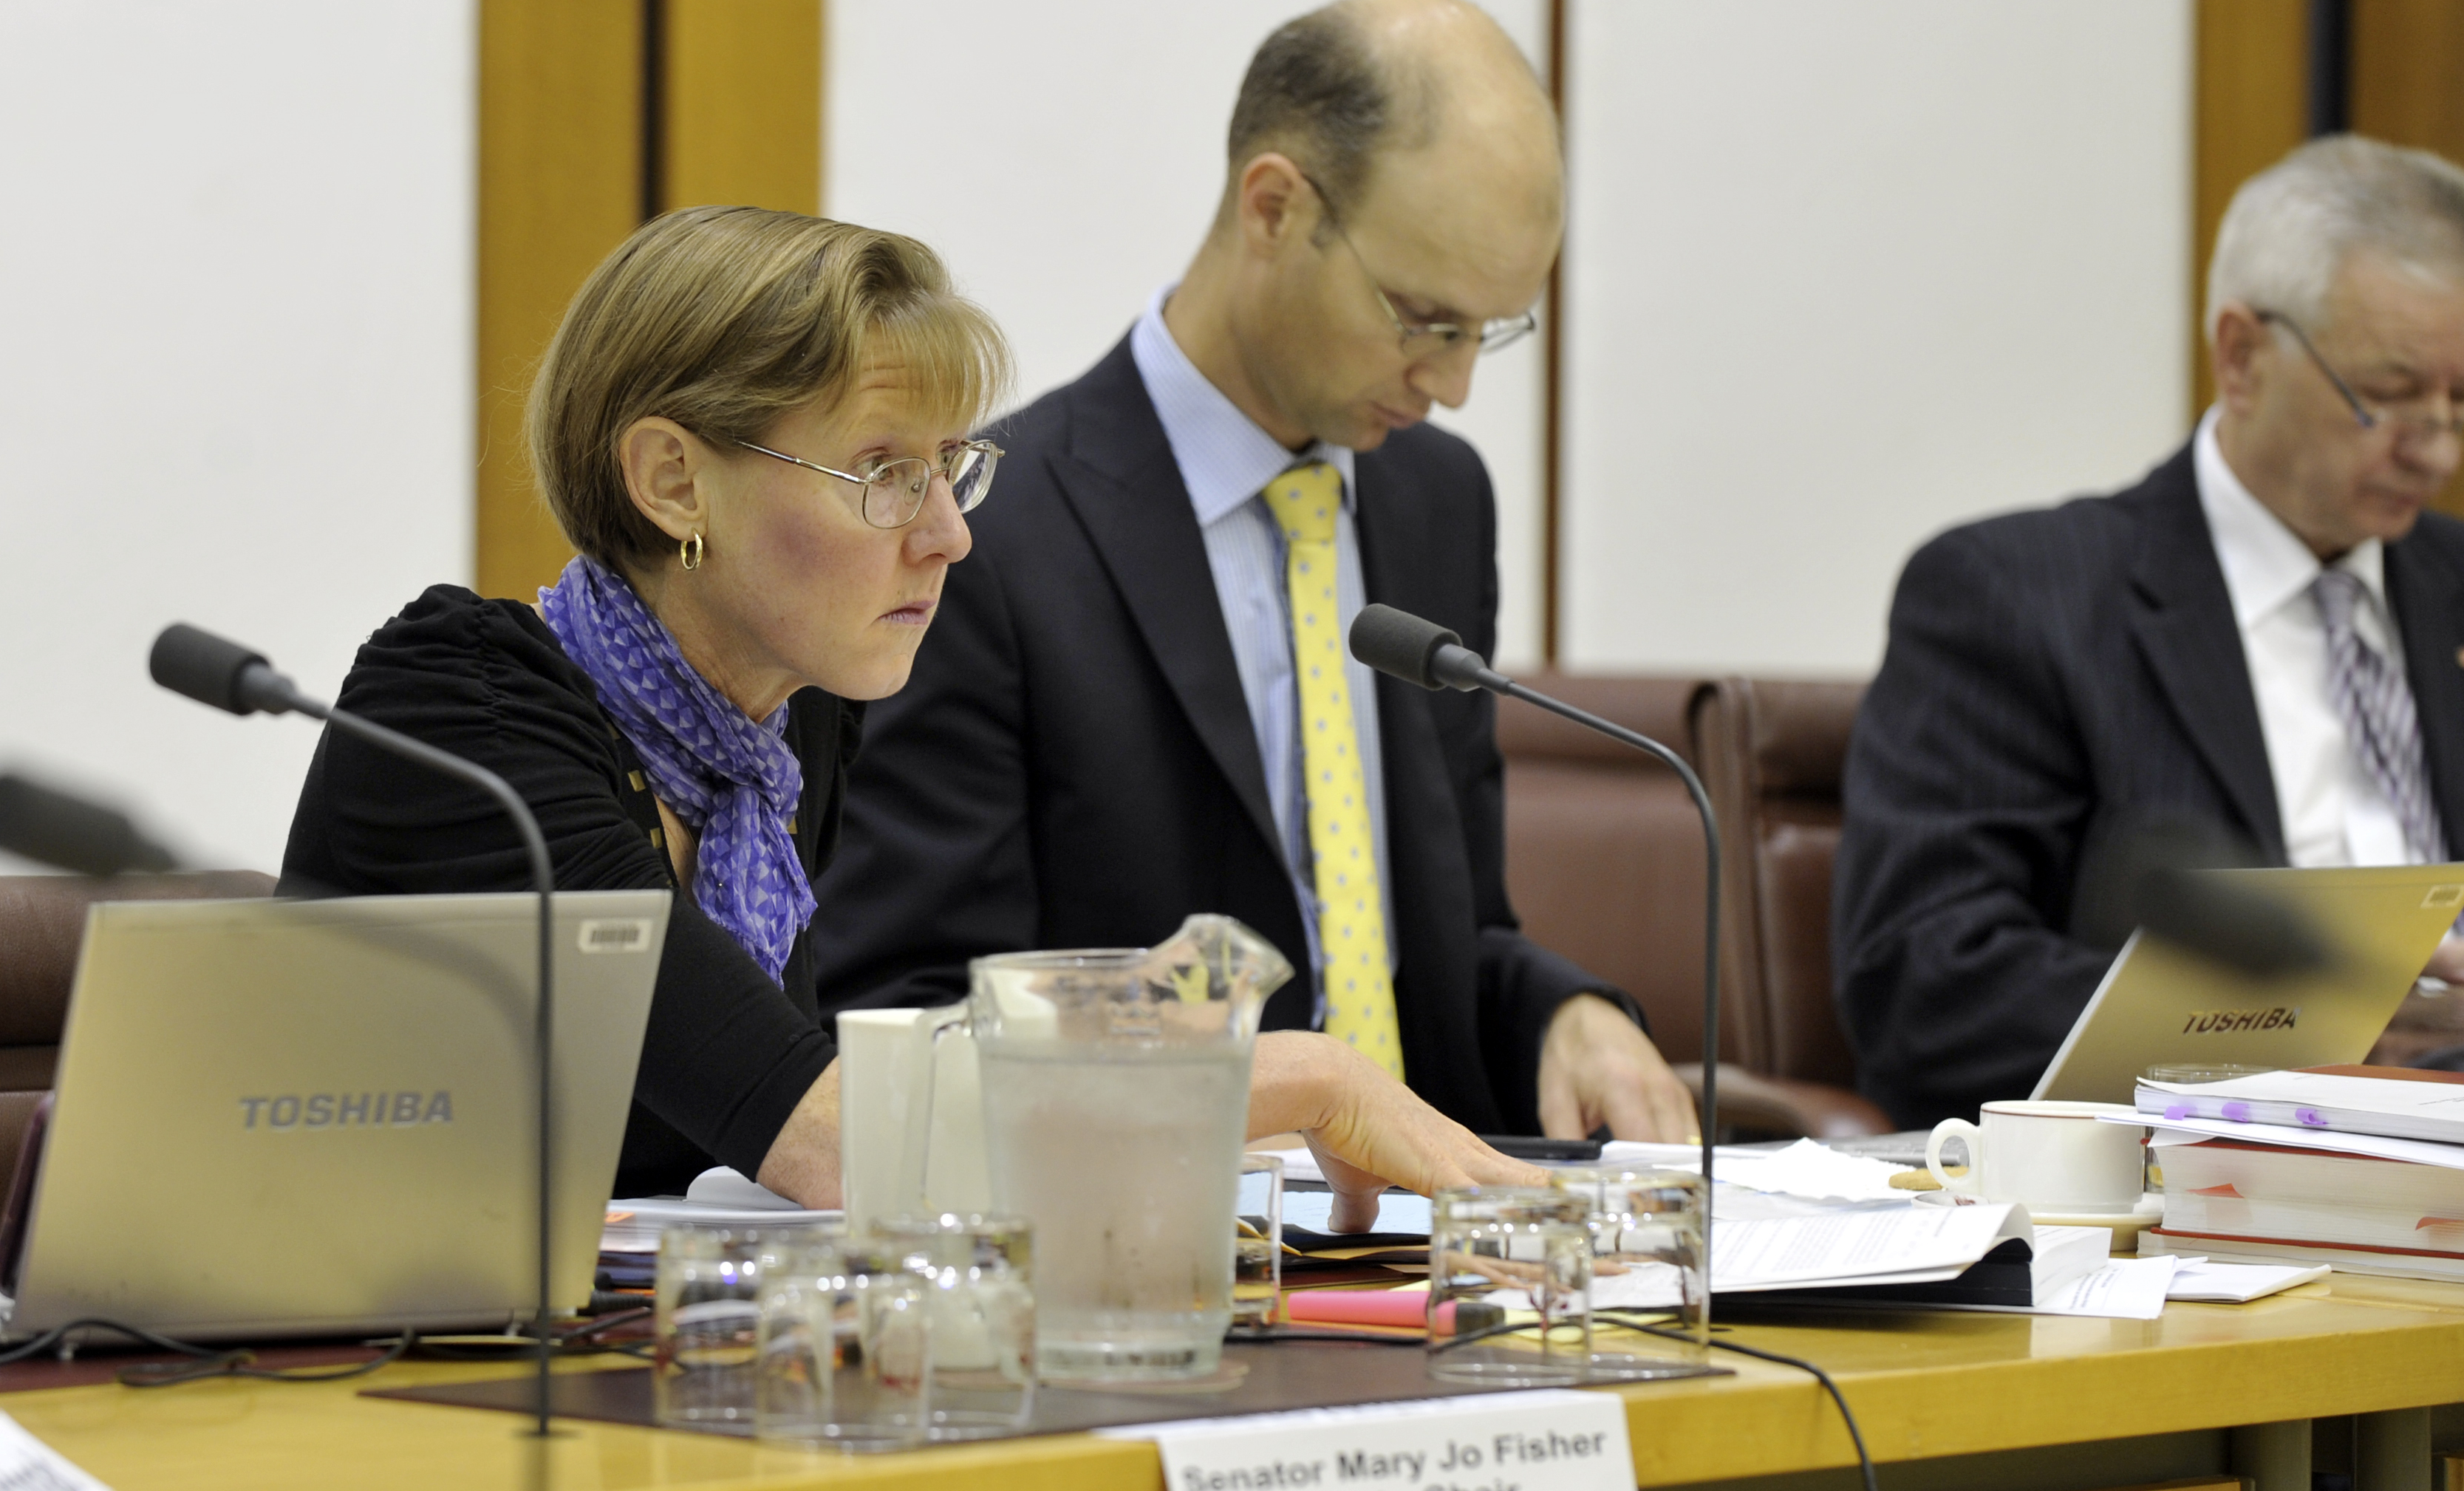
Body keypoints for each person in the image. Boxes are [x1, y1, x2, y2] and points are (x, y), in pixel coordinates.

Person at [281, 205, 1530, 1221]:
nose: (949, 534)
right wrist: (1299, 1073)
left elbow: (841, 1093)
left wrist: (1101, 1025)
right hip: (325, 1400)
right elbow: (827, 1138)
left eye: (953, 467)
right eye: (885, 474)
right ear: (673, 481)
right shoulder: (464, 712)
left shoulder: (777, 748)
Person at [814, 0, 1699, 1144]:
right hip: (1145, 1246)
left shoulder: (1436, 501)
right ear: (1274, 208)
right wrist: (1269, 1098)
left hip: (1431, 1231)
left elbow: (1430, 941)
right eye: (1425, 318)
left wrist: (1561, 1010)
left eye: (1489, 331)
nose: (1455, 383)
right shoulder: (989, 535)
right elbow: (913, 1023)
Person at [1836, 134, 2464, 1129]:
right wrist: (2314, 1022)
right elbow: (1924, 979)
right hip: (2197, 1179)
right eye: (2385, 397)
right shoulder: (2017, 596)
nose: (2434, 448)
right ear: (2244, 356)